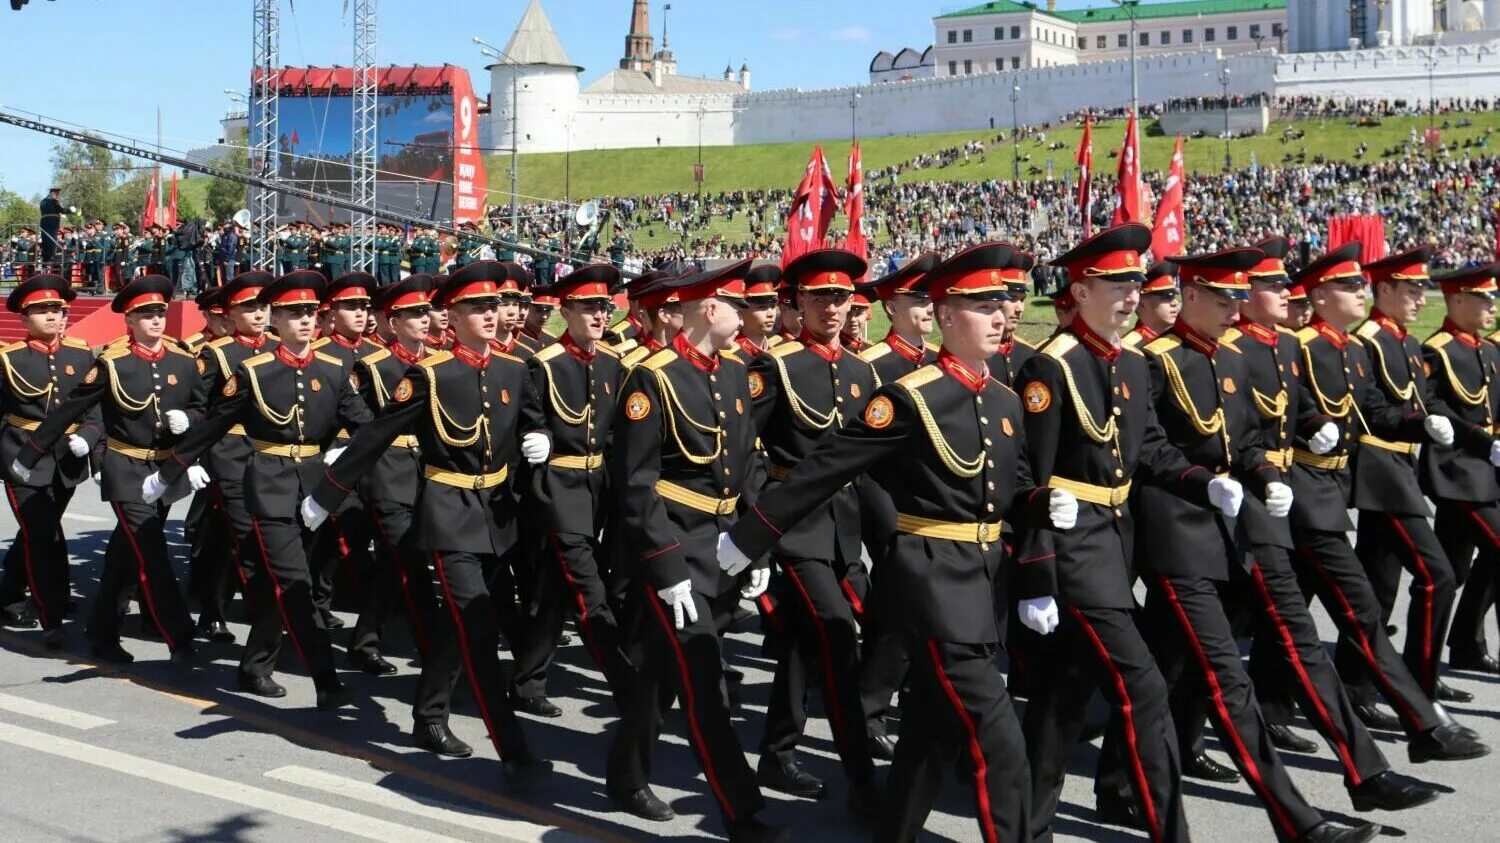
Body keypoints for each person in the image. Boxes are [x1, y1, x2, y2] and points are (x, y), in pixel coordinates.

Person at [722, 241, 1057, 843]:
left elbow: (1013, 492)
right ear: (948, 315)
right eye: (983, 305)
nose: (1002, 314)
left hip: (982, 589)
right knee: (1002, 744)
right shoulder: (910, 396)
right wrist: (751, 537)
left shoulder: (1004, 402)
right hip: (930, 586)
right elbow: (828, 465)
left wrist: (1042, 512)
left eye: (1004, 303)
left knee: (930, 737)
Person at [1130, 246, 1391, 841]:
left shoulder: (1231, 358)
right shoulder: (1152, 360)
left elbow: (1245, 440)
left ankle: (1123, 780)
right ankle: (1295, 819)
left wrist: (1269, 479)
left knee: (1173, 670)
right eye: (1223, 298)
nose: (1233, 309)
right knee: (1226, 676)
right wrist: (1206, 482)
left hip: (1234, 529)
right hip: (1178, 535)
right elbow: (1148, 448)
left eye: (1239, 299)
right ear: (1189, 294)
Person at [302, 262, 555, 782]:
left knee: (455, 625)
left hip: (497, 517)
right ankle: (514, 751)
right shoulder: (430, 374)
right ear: (452, 315)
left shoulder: (512, 370)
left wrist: (542, 436)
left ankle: (429, 715)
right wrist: (328, 494)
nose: (490, 315)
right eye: (477, 307)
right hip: (449, 515)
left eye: (494, 305)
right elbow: (376, 435)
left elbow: (532, 417)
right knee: (479, 630)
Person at [1015, 224, 1212, 843]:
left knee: (1065, 695)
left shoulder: (1130, 362)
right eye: (1119, 284)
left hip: (1116, 539)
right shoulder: (1053, 366)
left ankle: (1026, 821)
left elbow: (1148, 447)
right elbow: (1031, 480)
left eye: (1136, 284)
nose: (1133, 296)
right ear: (1081, 289)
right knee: (1144, 686)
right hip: (1076, 552)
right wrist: (1037, 575)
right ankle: (1168, 831)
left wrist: (1201, 481)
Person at [1278, 243, 1487, 761]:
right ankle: (1418, 694)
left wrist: (1428, 424)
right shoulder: (1315, 344)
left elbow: (1383, 406)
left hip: (1364, 477)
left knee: (1359, 594)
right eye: (1409, 288)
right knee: (1411, 585)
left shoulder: (1364, 344)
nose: (1418, 297)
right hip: (1346, 478)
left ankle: (1317, 695)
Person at [603, 261, 787, 842]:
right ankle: (742, 812)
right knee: (704, 678)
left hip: (725, 546)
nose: (754, 313)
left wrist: (757, 550)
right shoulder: (653, 378)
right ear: (711, 308)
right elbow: (635, 485)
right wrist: (666, 568)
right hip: (675, 549)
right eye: (740, 303)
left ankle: (625, 773)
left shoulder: (734, 372)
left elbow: (748, 468)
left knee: (662, 673)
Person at [147, 270, 372, 710]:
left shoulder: (334, 367)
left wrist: (341, 455)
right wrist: (172, 470)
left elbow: (365, 426)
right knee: (295, 580)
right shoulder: (253, 371)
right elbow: (212, 424)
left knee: (279, 586)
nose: (305, 321)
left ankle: (254, 665)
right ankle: (325, 678)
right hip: (268, 485)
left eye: (311, 313)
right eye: (294, 314)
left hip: (315, 490)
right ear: (277, 318)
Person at [744, 248, 880, 802]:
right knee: (835, 631)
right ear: (797, 302)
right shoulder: (775, 366)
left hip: (842, 523)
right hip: (794, 526)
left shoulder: (859, 370)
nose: (832, 306)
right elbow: (743, 450)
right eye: (820, 296)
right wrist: (754, 533)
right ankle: (863, 775)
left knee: (803, 644)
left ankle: (777, 755)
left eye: (841, 297)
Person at [12, 275, 202, 666]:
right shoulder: (111, 364)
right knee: (152, 551)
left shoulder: (183, 361)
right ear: (128, 321)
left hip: (166, 469)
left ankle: (102, 633)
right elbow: (74, 409)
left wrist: (192, 437)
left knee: (125, 556)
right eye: (145, 315)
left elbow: (205, 409)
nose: (154, 321)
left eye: (159, 313)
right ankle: (180, 638)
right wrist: (32, 454)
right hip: (126, 468)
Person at [508, 264, 636, 716]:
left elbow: (617, 432)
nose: (600, 316)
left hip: (595, 487)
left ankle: (527, 681)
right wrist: (537, 432)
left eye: (604, 307)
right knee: (588, 588)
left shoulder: (612, 364)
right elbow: (527, 421)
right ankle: (625, 682)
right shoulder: (542, 364)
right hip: (557, 488)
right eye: (589, 308)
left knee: (554, 592)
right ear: (566, 311)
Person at [1346, 247, 1465, 706]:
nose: (1420, 298)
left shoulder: (1407, 341)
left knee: (1378, 588)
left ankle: (1357, 685)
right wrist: (1421, 424)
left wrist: (1463, 431)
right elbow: (1374, 410)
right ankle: (1420, 680)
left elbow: (1425, 401)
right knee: (1438, 576)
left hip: (1400, 469)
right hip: (1380, 471)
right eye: (1411, 289)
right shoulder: (1368, 341)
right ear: (1385, 290)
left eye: (1422, 289)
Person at [343, 274, 438, 681]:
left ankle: (365, 640)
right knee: (408, 560)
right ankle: (434, 649)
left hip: (428, 475)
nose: (421, 320)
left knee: (396, 565)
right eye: (410, 314)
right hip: (388, 474)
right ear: (391, 322)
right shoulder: (373, 368)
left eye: (423, 312)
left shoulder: (437, 362)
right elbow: (357, 422)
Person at [0, 274, 101, 643]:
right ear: (24, 318)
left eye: (57, 310)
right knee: (42, 534)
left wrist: (90, 439)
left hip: (66, 458)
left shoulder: (80, 353)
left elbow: (94, 409)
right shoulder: (9, 358)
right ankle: (50, 614)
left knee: (40, 530)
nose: (53, 317)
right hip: (21, 456)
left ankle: (9, 593)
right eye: (42, 311)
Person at [185, 272, 276, 644]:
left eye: (263, 307)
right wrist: (190, 459)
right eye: (248, 308)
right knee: (243, 540)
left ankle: (218, 609)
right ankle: (222, 613)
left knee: (226, 540)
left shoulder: (278, 347)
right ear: (230, 313)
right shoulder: (216, 353)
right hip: (228, 457)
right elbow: (198, 410)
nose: (258, 314)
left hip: (271, 460)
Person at [1422, 262, 1500, 675]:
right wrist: (1483, 440)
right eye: (1483, 297)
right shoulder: (1437, 349)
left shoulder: (1486, 349)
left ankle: (1444, 654)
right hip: (1457, 471)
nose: (1491, 305)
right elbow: (1430, 406)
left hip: (1485, 471)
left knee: (1448, 573)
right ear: (1456, 300)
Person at [1122, 259, 1180, 349]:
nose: (1175, 303)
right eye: (1166, 297)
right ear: (1141, 304)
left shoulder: (1177, 341)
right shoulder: (1128, 347)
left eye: (1174, 297)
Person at [733, 264, 786, 359]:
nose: (771, 314)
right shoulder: (732, 357)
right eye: (762, 307)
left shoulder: (780, 350)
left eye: (773, 306)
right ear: (741, 310)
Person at [39, 187, 68, 265]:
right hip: (52, 223)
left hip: (44, 223)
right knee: (52, 241)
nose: (58, 196)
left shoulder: (43, 201)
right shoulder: (53, 201)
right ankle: (50, 259)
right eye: (57, 194)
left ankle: (45, 259)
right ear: (53, 193)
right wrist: (70, 210)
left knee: (45, 241)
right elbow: (61, 210)